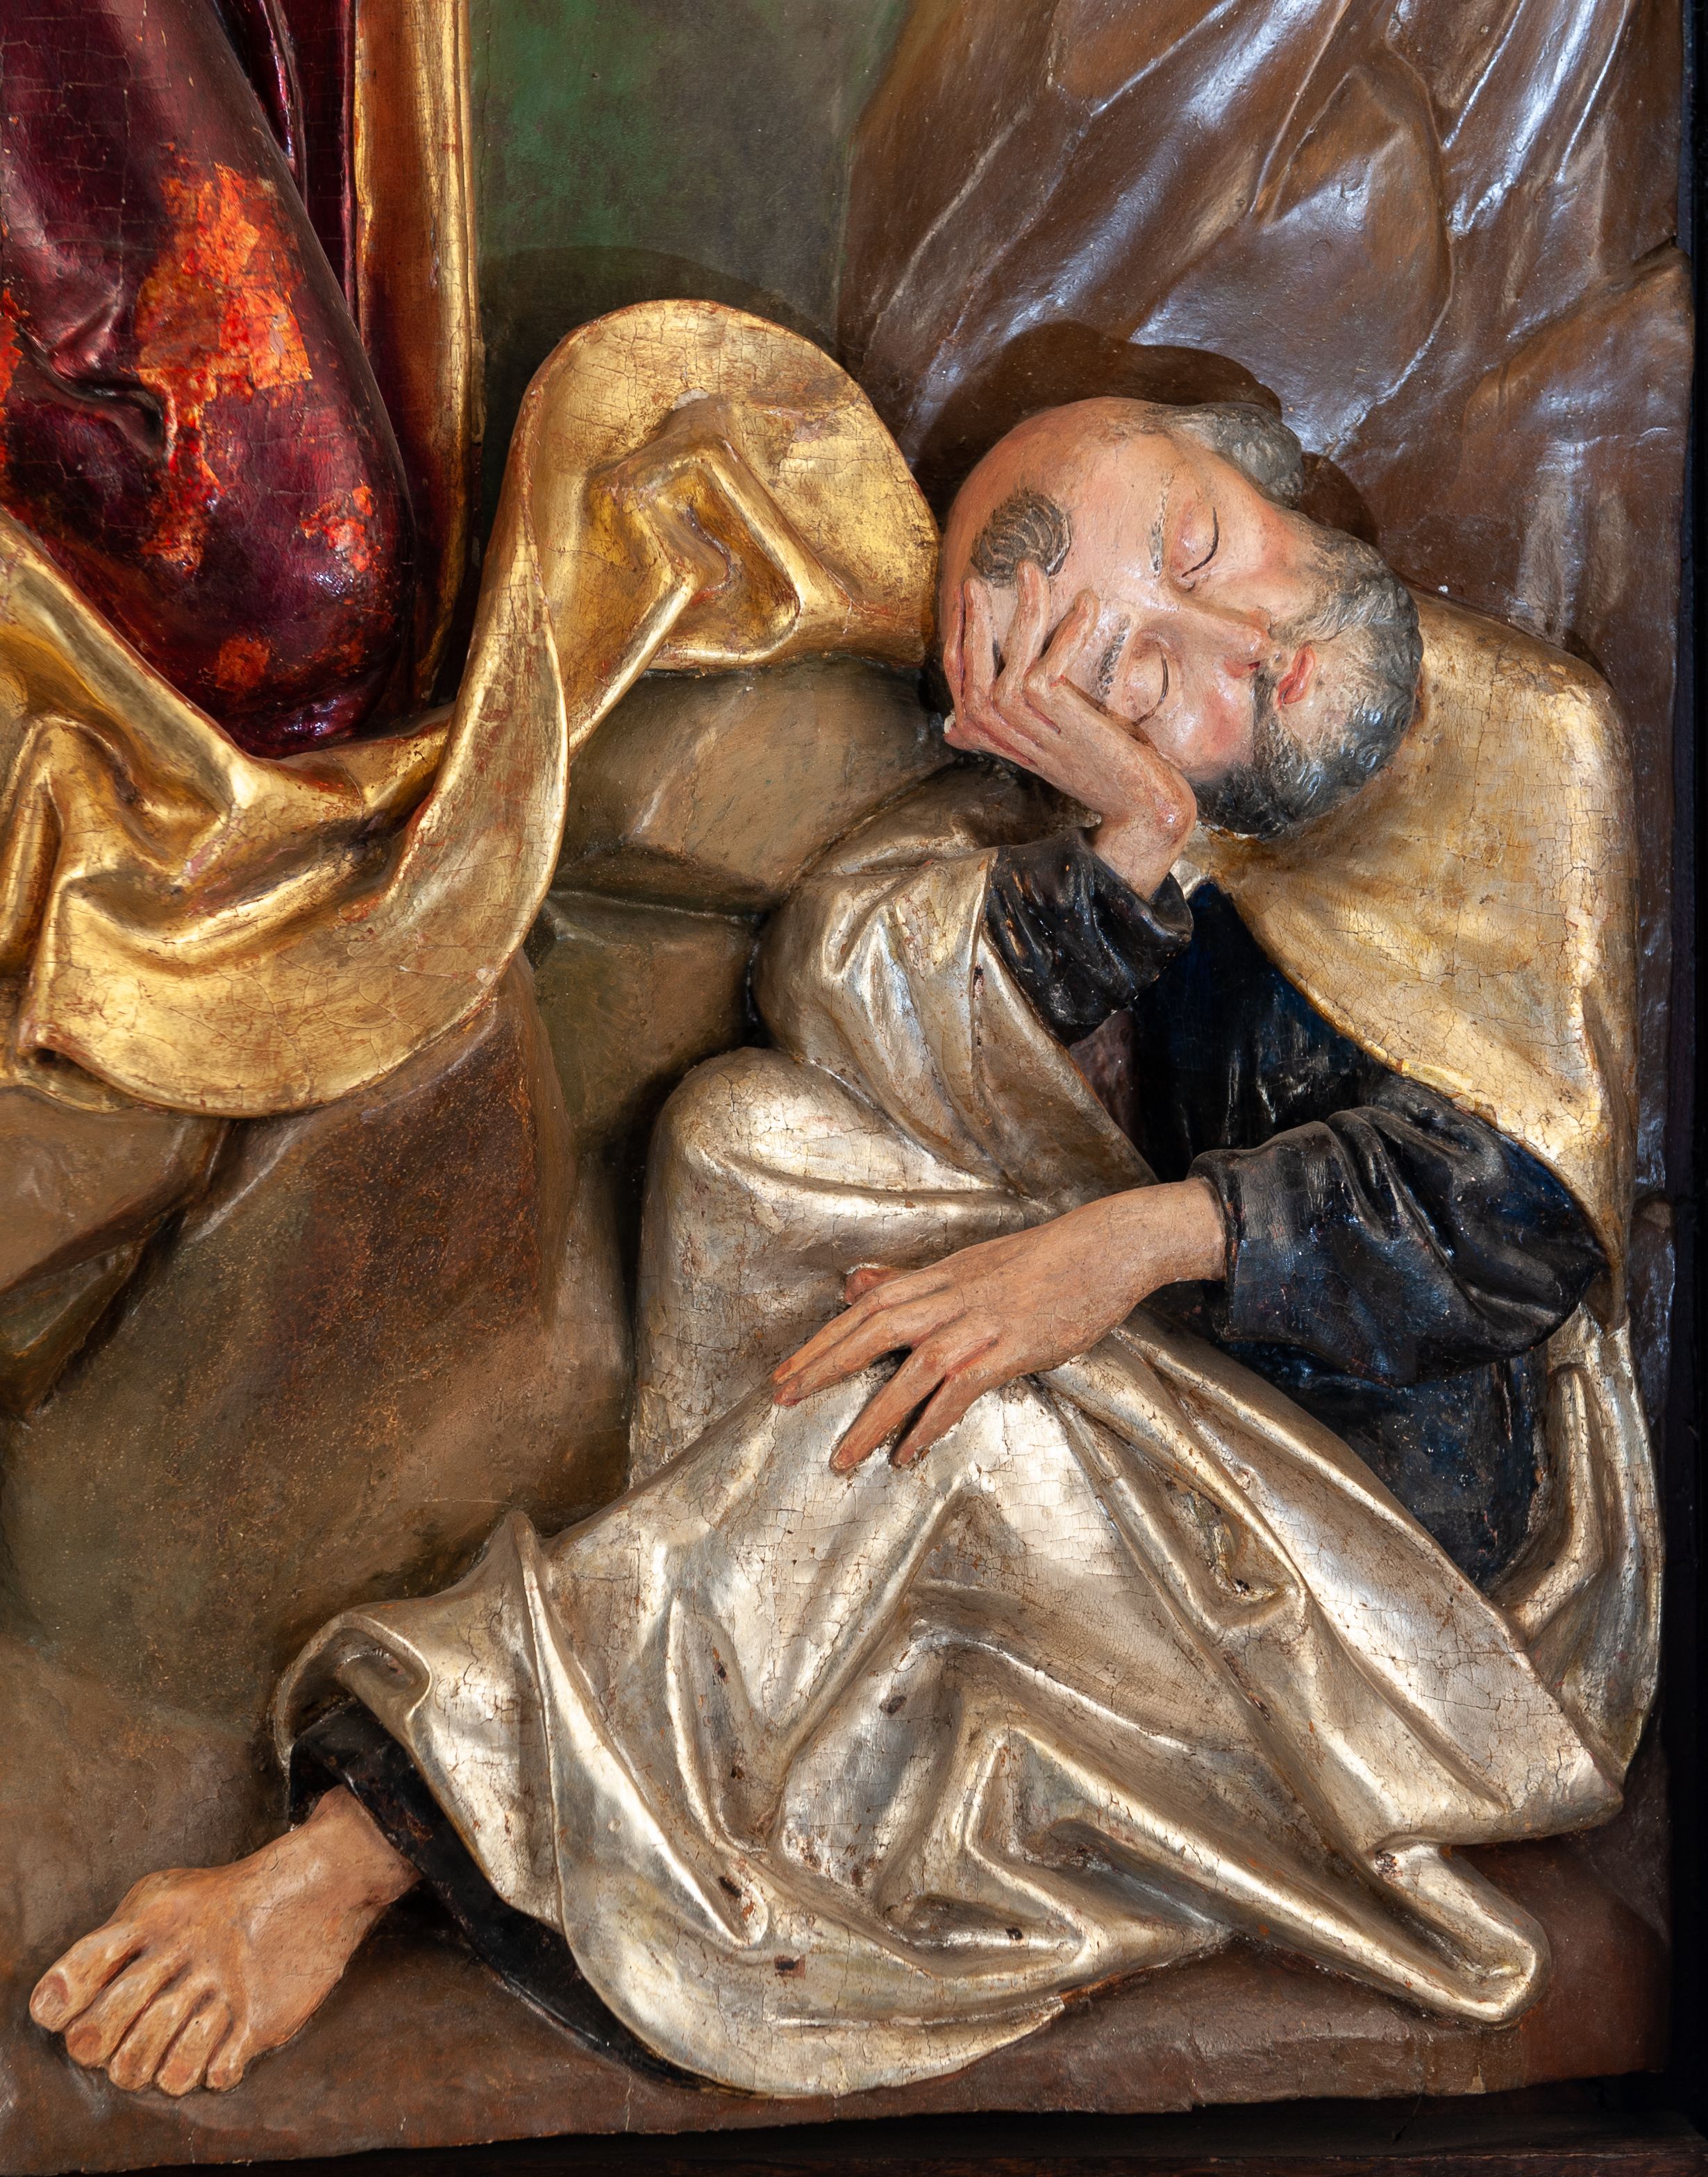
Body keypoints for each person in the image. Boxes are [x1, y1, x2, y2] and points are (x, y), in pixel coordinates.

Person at [28, 396, 1655, 2101]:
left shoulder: (1530, 731)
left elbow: (1511, 1224)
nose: (1235, 642)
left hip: (1423, 1583)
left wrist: (1107, 1253)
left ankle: (372, 1837)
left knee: (951, 1418)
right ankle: (759, 1691)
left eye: (1199, 545)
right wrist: (1129, 839)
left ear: (1249, 461)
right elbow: (850, 986)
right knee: (749, 1141)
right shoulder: (1197, 793)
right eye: (1135, 675)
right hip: (1213, 1392)